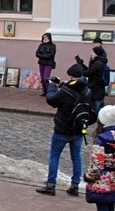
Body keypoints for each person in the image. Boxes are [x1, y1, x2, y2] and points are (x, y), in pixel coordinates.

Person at [35, 65, 90, 196]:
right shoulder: (87, 90)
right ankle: (75, 185)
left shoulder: (66, 90)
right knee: (76, 157)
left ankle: (51, 185)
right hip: (78, 130)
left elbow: (51, 99)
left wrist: (53, 86)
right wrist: (61, 83)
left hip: (62, 129)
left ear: (71, 76)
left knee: (54, 156)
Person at [75, 45, 108, 115]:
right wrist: (80, 63)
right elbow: (89, 70)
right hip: (99, 89)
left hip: (95, 89)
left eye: (93, 52)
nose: (91, 53)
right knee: (102, 109)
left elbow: (86, 73)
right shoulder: (100, 62)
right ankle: (106, 121)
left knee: (95, 110)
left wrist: (80, 66)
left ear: (97, 54)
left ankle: (103, 122)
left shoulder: (97, 64)